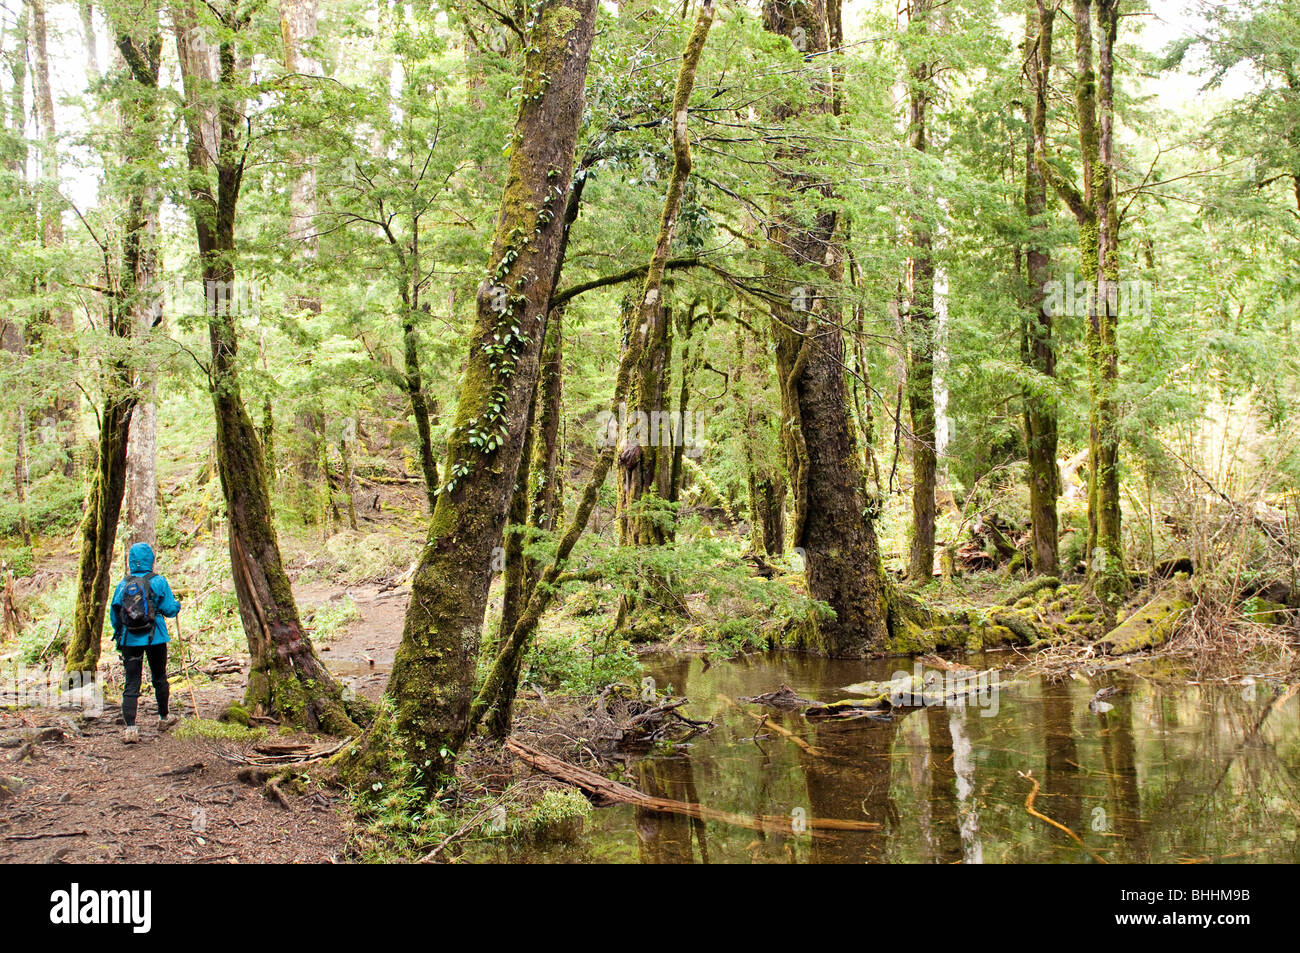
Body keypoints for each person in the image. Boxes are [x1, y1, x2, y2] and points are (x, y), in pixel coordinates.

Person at [109, 542, 181, 744]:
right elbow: (169, 609)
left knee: (131, 681)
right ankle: (163, 717)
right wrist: (177, 606)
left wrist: (119, 634)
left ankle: (131, 728)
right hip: (156, 637)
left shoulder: (123, 584)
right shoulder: (158, 582)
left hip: (129, 639)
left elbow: (114, 613)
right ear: (151, 559)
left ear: (131, 561)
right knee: (159, 676)